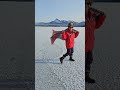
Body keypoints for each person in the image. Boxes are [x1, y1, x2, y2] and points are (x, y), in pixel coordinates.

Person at [85, 0, 106, 83]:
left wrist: (101, 15)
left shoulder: (93, 15)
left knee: (89, 61)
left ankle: (86, 76)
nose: (89, 5)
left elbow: (97, 25)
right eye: (87, 3)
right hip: (83, 44)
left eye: (90, 4)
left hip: (90, 43)